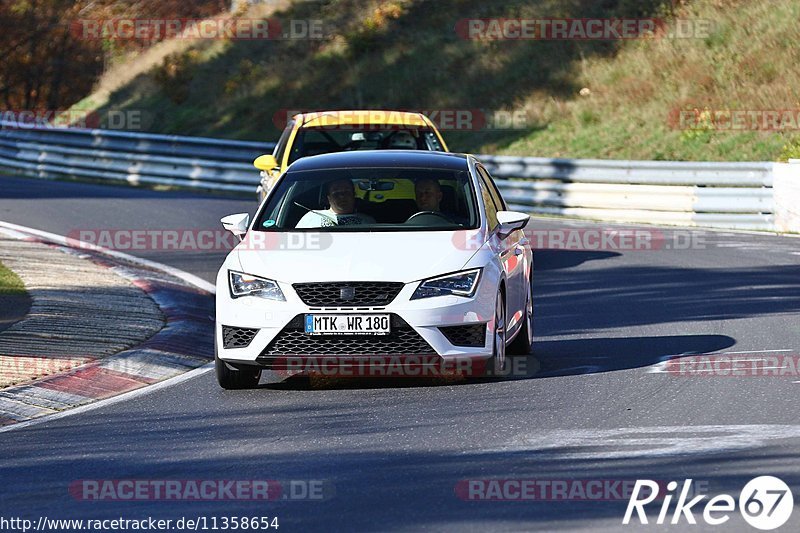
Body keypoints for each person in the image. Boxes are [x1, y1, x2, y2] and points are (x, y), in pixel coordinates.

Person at [296, 178, 376, 228]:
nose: (342, 196)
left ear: (354, 195)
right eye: (336, 193)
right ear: (329, 198)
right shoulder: (311, 217)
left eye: (346, 192)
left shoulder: (367, 221)